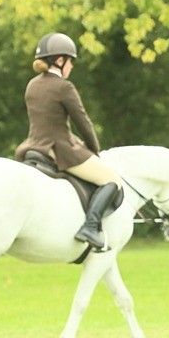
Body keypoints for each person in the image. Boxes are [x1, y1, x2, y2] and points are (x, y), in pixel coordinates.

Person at [15, 33, 123, 252]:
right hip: (59, 150)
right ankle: (90, 227)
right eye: (70, 61)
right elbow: (83, 122)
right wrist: (94, 149)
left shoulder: (32, 85)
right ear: (60, 60)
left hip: (32, 146)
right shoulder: (64, 87)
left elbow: (48, 123)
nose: (71, 66)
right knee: (112, 179)